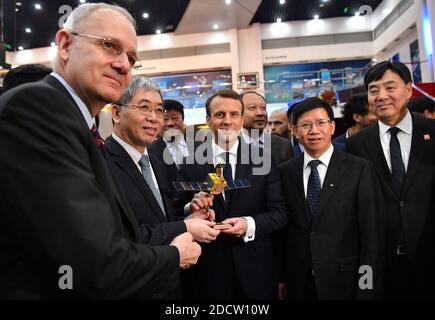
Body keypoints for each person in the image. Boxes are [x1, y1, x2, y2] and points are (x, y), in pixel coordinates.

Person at [0, 3, 200, 299]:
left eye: (131, 58)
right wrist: (173, 254)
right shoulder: (38, 107)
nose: (123, 65)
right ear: (66, 45)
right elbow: (94, 264)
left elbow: (113, 233)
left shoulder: (80, 125)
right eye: (109, 46)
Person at [174, 90, 288, 299]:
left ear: (242, 119)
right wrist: (192, 207)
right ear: (208, 120)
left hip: (256, 272)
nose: (228, 121)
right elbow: (176, 210)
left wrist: (248, 224)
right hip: (207, 273)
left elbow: (279, 212)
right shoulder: (191, 163)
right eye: (220, 115)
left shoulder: (263, 160)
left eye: (234, 114)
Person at [347, 61, 435, 299]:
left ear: (408, 90)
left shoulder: (432, 132)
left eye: (389, 88)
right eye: (374, 90)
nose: (381, 96)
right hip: (382, 260)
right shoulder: (357, 144)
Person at [278, 97, 381, 300]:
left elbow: (371, 232)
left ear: (332, 126)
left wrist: (366, 286)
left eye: (321, 123)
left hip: (347, 279)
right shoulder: (285, 172)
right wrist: (282, 277)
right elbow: (283, 232)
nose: (314, 130)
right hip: (300, 281)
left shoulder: (359, 168)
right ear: (295, 131)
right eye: (305, 125)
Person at [106, 76, 219, 246]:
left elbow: (162, 220)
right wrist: (185, 227)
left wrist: (191, 214)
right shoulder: (101, 163)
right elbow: (118, 237)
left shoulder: (158, 164)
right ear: (117, 113)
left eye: (159, 111)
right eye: (144, 107)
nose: (154, 118)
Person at [240, 91, 294, 164]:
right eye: (252, 108)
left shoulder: (283, 145)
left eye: (263, 108)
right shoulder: (229, 145)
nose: (260, 113)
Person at [149, 99, 191, 186]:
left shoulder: (200, 146)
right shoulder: (150, 152)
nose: (170, 123)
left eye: (175, 118)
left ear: (183, 120)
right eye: (165, 119)